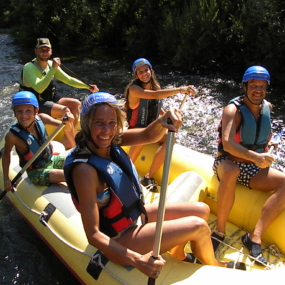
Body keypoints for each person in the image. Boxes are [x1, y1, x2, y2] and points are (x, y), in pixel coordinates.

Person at [64, 92, 246, 279]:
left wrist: (163, 120)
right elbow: (92, 234)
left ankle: (179, 254)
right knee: (199, 226)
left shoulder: (112, 140)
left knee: (202, 210)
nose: (106, 130)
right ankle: (216, 265)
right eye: (99, 122)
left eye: (112, 123)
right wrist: (137, 260)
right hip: (117, 239)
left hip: (132, 218)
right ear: (86, 124)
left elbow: (147, 134)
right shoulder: (85, 171)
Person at [212, 66, 285, 266]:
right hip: (227, 162)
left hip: (253, 167)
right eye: (253, 85)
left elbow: (263, 136)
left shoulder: (267, 107)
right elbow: (227, 143)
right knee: (232, 170)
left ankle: (254, 237)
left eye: (262, 86)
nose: (258, 90)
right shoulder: (232, 110)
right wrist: (255, 157)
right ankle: (219, 231)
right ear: (245, 86)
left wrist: (269, 144)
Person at [124, 58, 196, 192]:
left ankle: (148, 177)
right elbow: (155, 96)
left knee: (172, 138)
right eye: (140, 72)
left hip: (152, 129)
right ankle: (125, 174)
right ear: (136, 75)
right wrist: (180, 89)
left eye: (146, 70)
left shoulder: (154, 85)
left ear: (151, 70)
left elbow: (158, 107)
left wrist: (169, 116)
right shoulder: (134, 89)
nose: (144, 73)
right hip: (137, 130)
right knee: (142, 138)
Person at [19, 38, 99, 148]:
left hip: (49, 99)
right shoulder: (29, 67)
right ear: (36, 51)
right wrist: (53, 69)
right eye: (41, 49)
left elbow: (69, 80)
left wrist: (88, 86)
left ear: (51, 51)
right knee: (65, 111)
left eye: (47, 50)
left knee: (76, 104)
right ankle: (72, 143)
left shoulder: (51, 65)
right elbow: (39, 88)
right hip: (35, 103)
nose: (44, 52)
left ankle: (67, 140)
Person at [2, 91, 73, 191]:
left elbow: (66, 126)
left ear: (36, 111)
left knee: (77, 162)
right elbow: (6, 154)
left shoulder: (42, 118)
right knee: (69, 176)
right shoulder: (12, 136)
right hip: (36, 172)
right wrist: (6, 179)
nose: (24, 115)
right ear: (14, 113)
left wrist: (68, 121)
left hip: (51, 160)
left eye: (28, 111)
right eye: (19, 111)